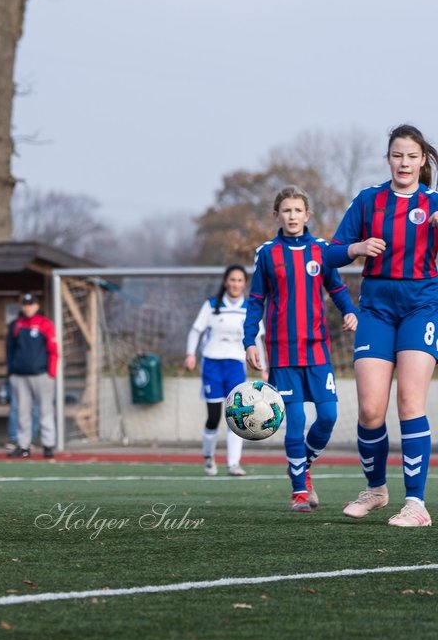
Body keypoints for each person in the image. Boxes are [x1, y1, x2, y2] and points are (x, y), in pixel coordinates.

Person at [326, 124, 438, 527]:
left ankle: (416, 504)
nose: (404, 162)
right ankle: (375, 490)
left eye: (412, 156)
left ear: (422, 159)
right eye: (397, 155)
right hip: (375, 308)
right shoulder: (369, 201)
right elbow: (328, 255)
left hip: (421, 307)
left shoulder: (435, 203)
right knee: (371, 409)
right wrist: (355, 248)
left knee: (410, 402)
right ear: (388, 158)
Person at [243, 186, 357, 512]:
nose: (292, 216)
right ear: (276, 215)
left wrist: (349, 310)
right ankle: (299, 492)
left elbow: (336, 287)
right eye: (286, 211)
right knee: (294, 422)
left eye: (298, 211)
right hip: (282, 352)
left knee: (328, 416)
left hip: (318, 349)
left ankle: (301, 466)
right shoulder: (266, 253)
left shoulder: (322, 250)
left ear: (307, 215)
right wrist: (250, 340)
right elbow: (256, 302)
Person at [185, 265, 255, 476]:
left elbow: (256, 339)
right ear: (226, 282)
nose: (235, 284)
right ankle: (208, 456)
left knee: (236, 416)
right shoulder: (211, 305)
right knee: (214, 416)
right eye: (232, 280)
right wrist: (190, 354)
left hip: (236, 365)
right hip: (212, 365)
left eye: (239, 280)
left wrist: (264, 366)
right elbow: (196, 331)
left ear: (244, 283)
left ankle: (234, 463)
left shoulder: (250, 306)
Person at [6, 293, 57, 459]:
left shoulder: (45, 324)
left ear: (37, 306)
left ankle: (48, 444)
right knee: (22, 412)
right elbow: (9, 350)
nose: (28, 308)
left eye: (31, 304)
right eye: (25, 304)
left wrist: (52, 373)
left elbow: (53, 350)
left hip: (41, 374)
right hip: (20, 375)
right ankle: (23, 445)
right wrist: (11, 371)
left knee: (45, 411)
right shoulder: (16, 325)